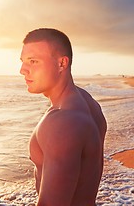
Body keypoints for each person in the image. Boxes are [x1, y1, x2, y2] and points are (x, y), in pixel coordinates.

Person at [19, 28, 107, 206]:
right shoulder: (89, 104)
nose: (22, 70)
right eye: (23, 62)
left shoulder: (63, 122)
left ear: (61, 64)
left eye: (33, 61)